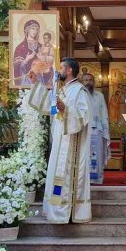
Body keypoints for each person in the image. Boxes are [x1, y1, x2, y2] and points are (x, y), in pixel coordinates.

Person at [28, 58, 93, 223]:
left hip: (71, 145)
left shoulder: (79, 91)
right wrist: (36, 83)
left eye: (62, 67)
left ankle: (67, 212)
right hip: (59, 141)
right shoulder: (61, 89)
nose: (59, 71)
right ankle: (55, 210)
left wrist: (65, 109)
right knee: (55, 175)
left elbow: (84, 116)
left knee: (66, 175)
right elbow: (47, 106)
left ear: (69, 70)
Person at [82, 72, 110, 185]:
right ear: (82, 82)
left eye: (90, 80)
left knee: (97, 154)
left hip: (97, 129)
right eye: (85, 80)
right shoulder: (80, 95)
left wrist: (105, 130)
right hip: (83, 130)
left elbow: (104, 113)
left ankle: (97, 178)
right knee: (84, 154)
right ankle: (84, 179)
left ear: (94, 82)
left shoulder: (99, 96)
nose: (88, 82)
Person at [12, 19, 45, 88]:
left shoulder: (40, 46)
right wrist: (27, 59)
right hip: (26, 80)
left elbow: (48, 68)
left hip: (39, 80)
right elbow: (17, 67)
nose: (35, 31)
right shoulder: (20, 47)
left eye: (36, 29)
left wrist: (42, 60)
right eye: (32, 29)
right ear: (27, 30)